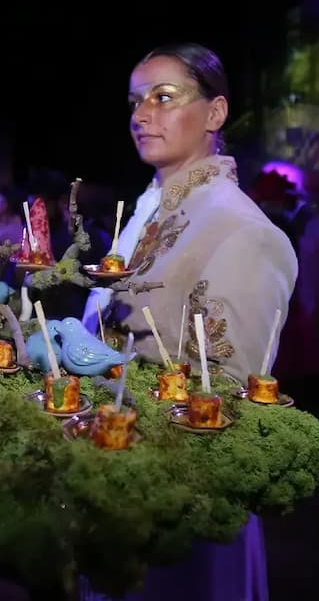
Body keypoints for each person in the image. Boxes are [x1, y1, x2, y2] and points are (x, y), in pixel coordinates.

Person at [82, 43, 298, 601]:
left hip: (182, 505)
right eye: (135, 101)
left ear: (215, 112)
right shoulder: (148, 212)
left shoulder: (241, 231)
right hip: (110, 481)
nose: (141, 115)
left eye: (163, 97)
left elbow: (223, 401)